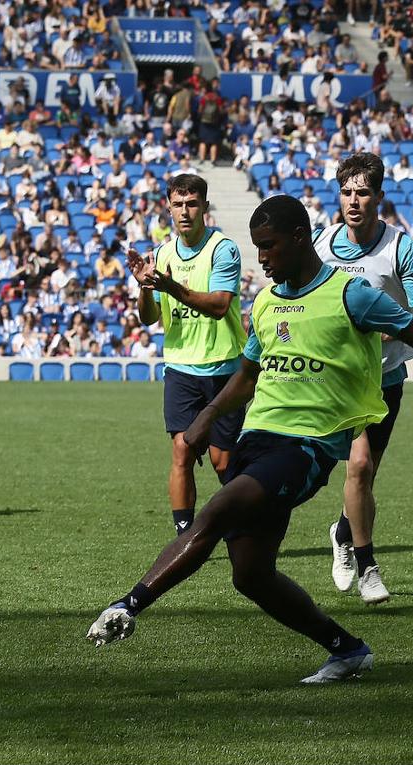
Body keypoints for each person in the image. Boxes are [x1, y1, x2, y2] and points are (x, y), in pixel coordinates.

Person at [88, 195, 413, 682]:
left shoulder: (352, 295)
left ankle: (128, 605)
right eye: (258, 248)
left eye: (270, 247)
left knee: (217, 510)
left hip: (308, 447)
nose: (261, 259)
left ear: (300, 239)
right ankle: (347, 650)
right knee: (250, 574)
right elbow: (247, 373)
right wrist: (209, 415)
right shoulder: (265, 302)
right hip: (256, 438)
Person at [310, 152, 413, 604]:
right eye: (346, 192)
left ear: (379, 196)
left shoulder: (401, 247)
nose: (353, 201)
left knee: (364, 477)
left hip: (384, 380)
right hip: (335, 381)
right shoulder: (321, 245)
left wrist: (388, 330)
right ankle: (368, 567)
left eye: (362, 192)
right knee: (359, 468)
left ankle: (343, 532)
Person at [128, 174, 247, 536]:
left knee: (222, 459)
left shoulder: (223, 249)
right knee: (181, 449)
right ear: (168, 208)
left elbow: (219, 306)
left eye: (192, 204)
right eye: (178, 204)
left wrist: (170, 286)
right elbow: (149, 318)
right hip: (180, 367)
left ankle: (245, 525)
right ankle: (185, 535)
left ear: (204, 208)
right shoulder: (162, 254)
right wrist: (146, 288)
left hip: (225, 368)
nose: (185, 211)